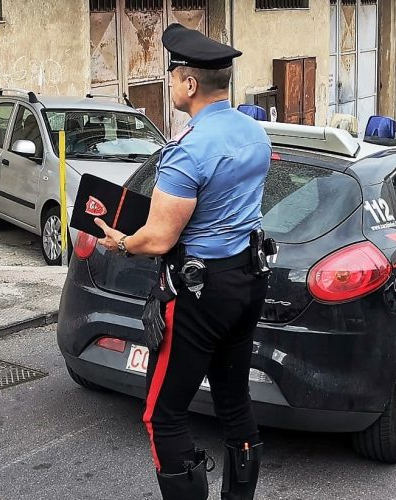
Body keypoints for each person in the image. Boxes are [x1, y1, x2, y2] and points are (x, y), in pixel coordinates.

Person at [93, 23, 272, 500]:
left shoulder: (188, 151)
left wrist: (119, 242)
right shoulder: (254, 133)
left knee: (162, 415)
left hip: (199, 293)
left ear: (190, 85)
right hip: (246, 279)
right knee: (234, 401)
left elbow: (157, 238)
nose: (170, 84)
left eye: (172, 77)